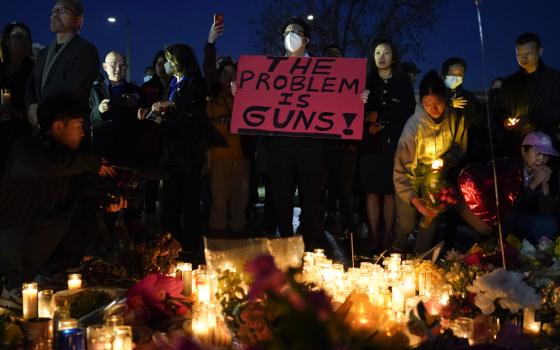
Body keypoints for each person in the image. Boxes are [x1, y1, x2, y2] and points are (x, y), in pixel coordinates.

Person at [0, 94, 124, 282]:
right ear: (58, 127)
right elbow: (54, 166)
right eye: (78, 126)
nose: (82, 133)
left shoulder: (71, 160)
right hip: (15, 249)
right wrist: (93, 163)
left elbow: (81, 199)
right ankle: (14, 283)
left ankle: (59, 268)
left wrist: (106, 203)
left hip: (41, 248)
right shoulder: (25, 150)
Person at [144, 44, 225, 256]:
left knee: (189, 200)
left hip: (188, 151)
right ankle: (171, 243)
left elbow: (192, 110)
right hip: (171, 150)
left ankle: (190, 246)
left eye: (170, 60)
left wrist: (170, 108)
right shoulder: (172, 82)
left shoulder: (194, 81)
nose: (168, 64)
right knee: (169, 200)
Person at [393, 71, 468, 253]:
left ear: (445, 99)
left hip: (435, 171)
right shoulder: (413, 127)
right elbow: (401, 169)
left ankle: (420, 256)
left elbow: (460, 145)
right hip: (411, 170)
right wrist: (413, 198)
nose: (433, 109)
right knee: (406, 222)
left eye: (438, 104)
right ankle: (396, 250)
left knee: (431, 213)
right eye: (427, 104)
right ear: (421, 103)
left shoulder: (455, 118)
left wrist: (444, 160)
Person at [360, 38, 415, 251]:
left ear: (393, 57)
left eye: (386, 52)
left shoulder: (402, 82)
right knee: (371, 190)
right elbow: (357, 112)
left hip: (393, 142)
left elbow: (407, 109)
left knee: (389, 191)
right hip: (370, 143)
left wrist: (382, 119)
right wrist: (361, 102)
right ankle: (373, 235)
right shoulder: (366, 82)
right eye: (377, 53)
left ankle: (388, 235)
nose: (382, 57)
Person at [25, 0, 99, 141]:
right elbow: (30, 86)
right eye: (53, 11)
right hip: (40, 132)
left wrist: (40, 111)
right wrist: (31, 107)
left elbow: (74, 90)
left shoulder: (86, 50)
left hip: (68, 132)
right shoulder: (43, 54)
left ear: (78, 20)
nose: (55, 14)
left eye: (62, 10)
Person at [204, 19, 250, 235]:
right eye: (226, 73)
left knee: (240, 198)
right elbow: (209, 71)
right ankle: (218, 235)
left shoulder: (244, 97)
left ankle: (238, 234)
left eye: (234, 73)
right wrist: (211, 43)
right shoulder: (211, 94)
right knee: (219, 198)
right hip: (218, 155)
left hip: (239, 156)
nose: (230, 77)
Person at [494, 33, 560, 158]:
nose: (523, 59)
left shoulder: (554, 79)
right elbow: (498, 110)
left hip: (543, 147)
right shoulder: (509, 82)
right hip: (514, 146)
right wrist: (505, 120)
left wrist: (530, 119)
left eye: (527, 54)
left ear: (540, 51)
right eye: (519, 55)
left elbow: (556, 109)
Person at [322, 44, 358, 238]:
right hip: (325, 146)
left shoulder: (352, 82)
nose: (333, 58)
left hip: (346, 146)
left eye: (337, 55)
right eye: (329, 55)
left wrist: (355, 142)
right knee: (326, 186)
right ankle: (327, 219)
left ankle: (348, 225)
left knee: (345, 188)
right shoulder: (318, 82)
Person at [504, 131, 559, 244]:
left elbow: (547, 213)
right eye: (538, 154)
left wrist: (544, 184)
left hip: (526, 220)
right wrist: (534, 184)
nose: (541, 159)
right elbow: (509, 207)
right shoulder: (509, 169)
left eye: (546, 156)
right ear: (524, 151)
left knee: (549, 225)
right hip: (505, 220)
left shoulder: (545, 172)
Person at [90, 51, 141, 164]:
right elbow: (87, 116)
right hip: (101, 150)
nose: (118, 68)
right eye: (114, 64)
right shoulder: (94, 90)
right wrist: (99, 110)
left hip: (128, 149)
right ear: (104, 66)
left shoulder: (135, 91)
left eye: (122, 65)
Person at [0, 22, 33, 177]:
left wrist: (19, 114)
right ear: (6, 40)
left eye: (28, 38)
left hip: (22, 141)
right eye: (19, 36)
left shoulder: (33, 73)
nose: (25, 41)